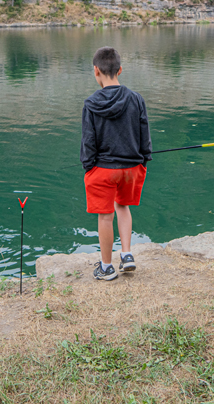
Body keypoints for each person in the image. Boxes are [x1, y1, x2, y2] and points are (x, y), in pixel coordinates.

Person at [81, 46, 152, 281]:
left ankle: (106, 267)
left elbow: (88, 141)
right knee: (123, 206)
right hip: (131, 169)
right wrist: (144, 158)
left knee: (104, 216)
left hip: (102, 170)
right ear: (119, 70)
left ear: (96, 71)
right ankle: (127, 254)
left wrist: (88, 166)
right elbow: (144, 134)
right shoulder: (136, 99)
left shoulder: (91, 103)